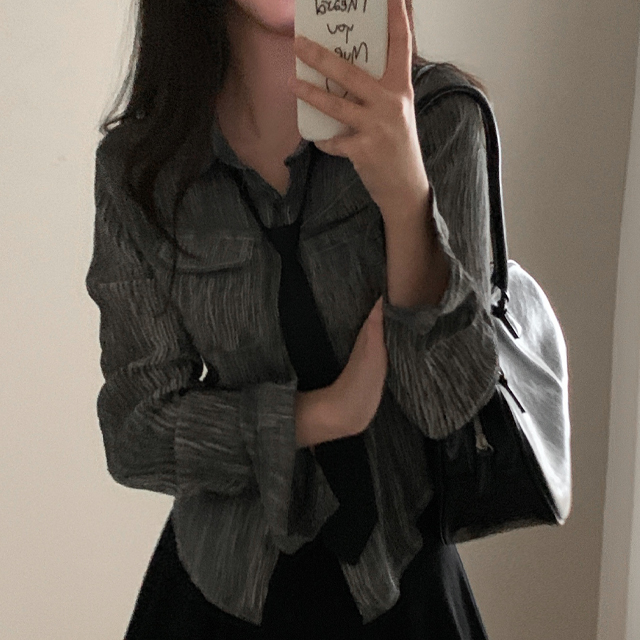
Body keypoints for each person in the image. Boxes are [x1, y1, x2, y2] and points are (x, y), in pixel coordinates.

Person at [86, 0, 500, 637]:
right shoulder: (141, 167)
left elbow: (449, 410)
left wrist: (404, 196)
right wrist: (322, 414)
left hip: (405, 591)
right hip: (213, 595)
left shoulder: (439, 118)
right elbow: (134, 433)